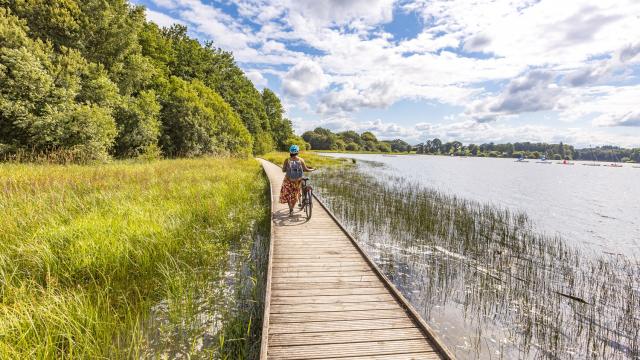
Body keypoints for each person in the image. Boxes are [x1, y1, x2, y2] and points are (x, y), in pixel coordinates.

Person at [280, 145, 315, 216]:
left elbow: (283, 170)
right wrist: (312, 169)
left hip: (288, 180)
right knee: (295, 195)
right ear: (297, 152)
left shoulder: (287, 160)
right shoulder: (301, 160)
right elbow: (306, 169)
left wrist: (286, 168)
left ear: (290, 152)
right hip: (298, 181)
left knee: (287, 194)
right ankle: (294, 206)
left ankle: (291, 209)